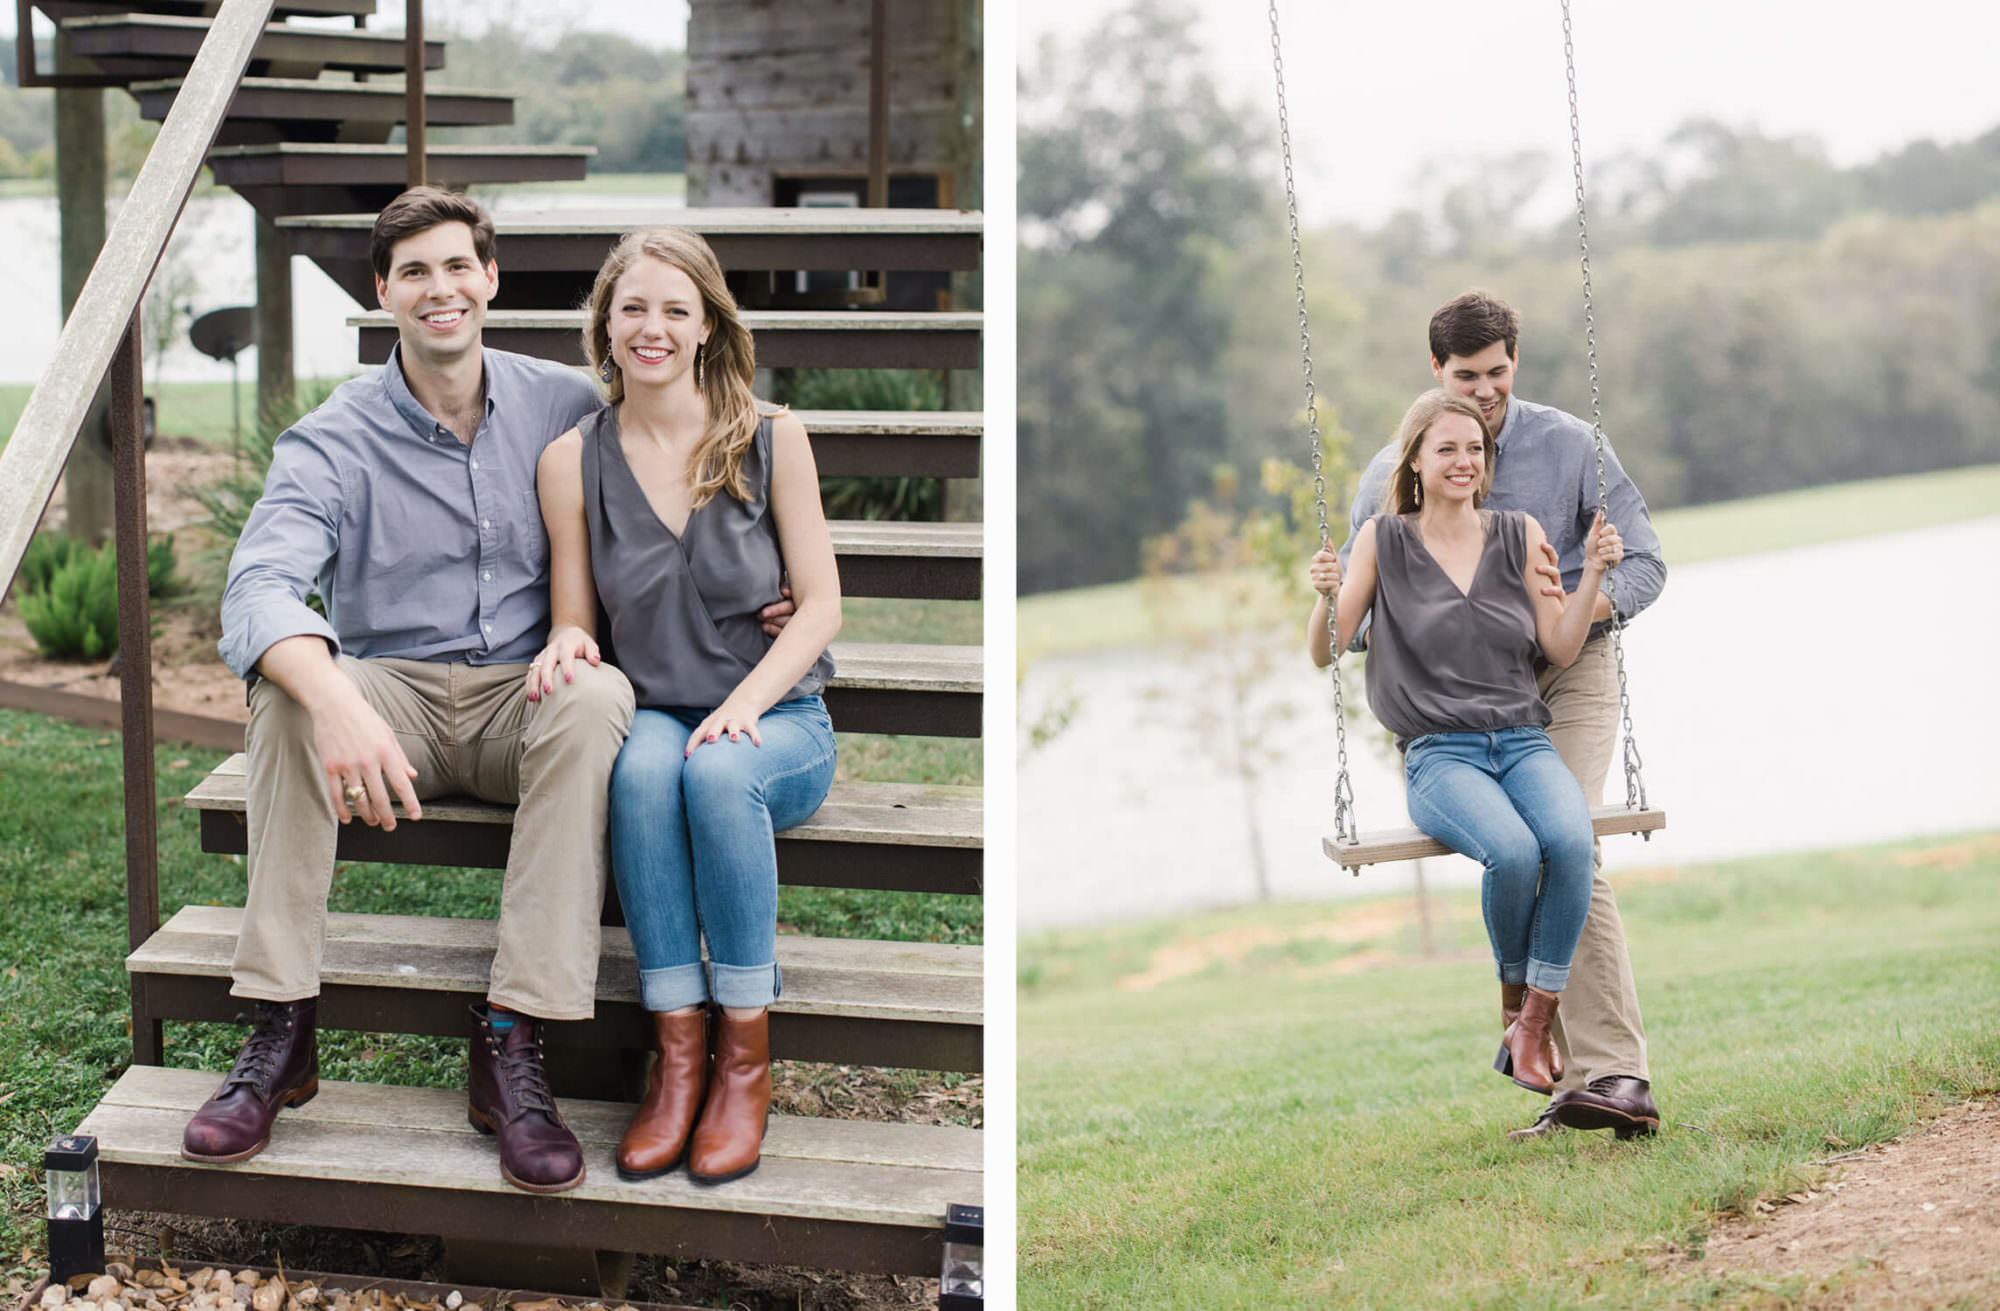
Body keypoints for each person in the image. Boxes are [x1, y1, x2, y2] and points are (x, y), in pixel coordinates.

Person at [190, 186, 639, 1196]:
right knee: (290, 690)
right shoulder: (333, 436)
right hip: (388, 700)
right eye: (414, 272)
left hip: (519, 699)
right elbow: (259, 587)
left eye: (456, 267)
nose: (440, 290)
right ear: (382, 290)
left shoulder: (565, 404)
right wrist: (340, 701)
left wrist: (772, 586)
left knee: (596, 696)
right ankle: (282, 1025)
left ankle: (513, 1039)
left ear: (489, 278)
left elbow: (674, 486)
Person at [529, 227, 842, 1186]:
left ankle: (744, 1059)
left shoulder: (773, 437)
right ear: (607, 326)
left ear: (707, 324)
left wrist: (746, 705)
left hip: (776, 719)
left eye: (675, 309)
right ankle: (678, 1060)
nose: (653, 327)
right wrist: (566, 642)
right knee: (643, 769)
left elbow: (822, 605)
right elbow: (577, 617)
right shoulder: (571, 460)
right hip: (658, 706)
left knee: (714, 770)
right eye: (634, 308)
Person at [1326, 290, 1667, 1140]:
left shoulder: (1569, 447)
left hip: (1568, 670)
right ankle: (1556, 1062)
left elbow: (1647, 565)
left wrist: (1572, 611)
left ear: (1517, 362)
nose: (1485, 392)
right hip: (1466, 704)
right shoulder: (1392, 473)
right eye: (1466, 377)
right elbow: (1365, 619)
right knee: (1526, 852)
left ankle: (1615, 1075)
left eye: (1499, 374)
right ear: (1436, 372)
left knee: (1571, 841)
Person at [1310, 389, 1620, 1092]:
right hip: (1440, 753)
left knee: (1570, 844)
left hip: (1521, 739)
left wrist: (1595, 569)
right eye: (1446, 447)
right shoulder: (1381, 541)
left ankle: (1533, 1025)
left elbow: (1561, 647)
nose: (1463, 460)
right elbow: (1324, 652)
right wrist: (1326, 597)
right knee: (1511, 852)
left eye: (1474, 448)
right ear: (1414, 459)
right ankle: (1516, 1005)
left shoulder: (1519, 532)